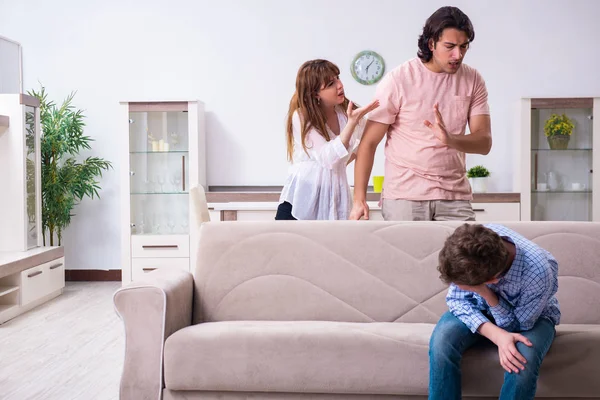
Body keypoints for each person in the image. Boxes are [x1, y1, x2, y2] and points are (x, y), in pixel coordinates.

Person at [350, 6, 492, 222]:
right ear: (431, 44)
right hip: (405, 196)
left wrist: (450, 139)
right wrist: (359, 199)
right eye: (450, 46)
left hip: (454, 196)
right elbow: (369, 143)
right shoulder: (398, 79)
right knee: (407, 257)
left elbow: (484, 142)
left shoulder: (473, 79)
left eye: (464, 47)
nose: (458, 55)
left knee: (469, 256)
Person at [429, 223, 560, 400]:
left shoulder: (538, 273)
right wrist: (497, 335)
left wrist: (485, 293)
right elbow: (457, 300)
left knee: (521, 360)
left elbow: (519, 326)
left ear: (492, 280)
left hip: (533, 319)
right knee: (442, 341)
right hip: (479, 307)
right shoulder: (476, 242)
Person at [276, 59, 379, 220]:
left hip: (334, 198)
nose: (340, 85)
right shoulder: (301, 116)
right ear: (315, 93)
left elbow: (365, 147)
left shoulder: (346, 113)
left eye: (337, 78)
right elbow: (328, 158)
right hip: (301, 200)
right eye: (331, 83)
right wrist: (352, 123)